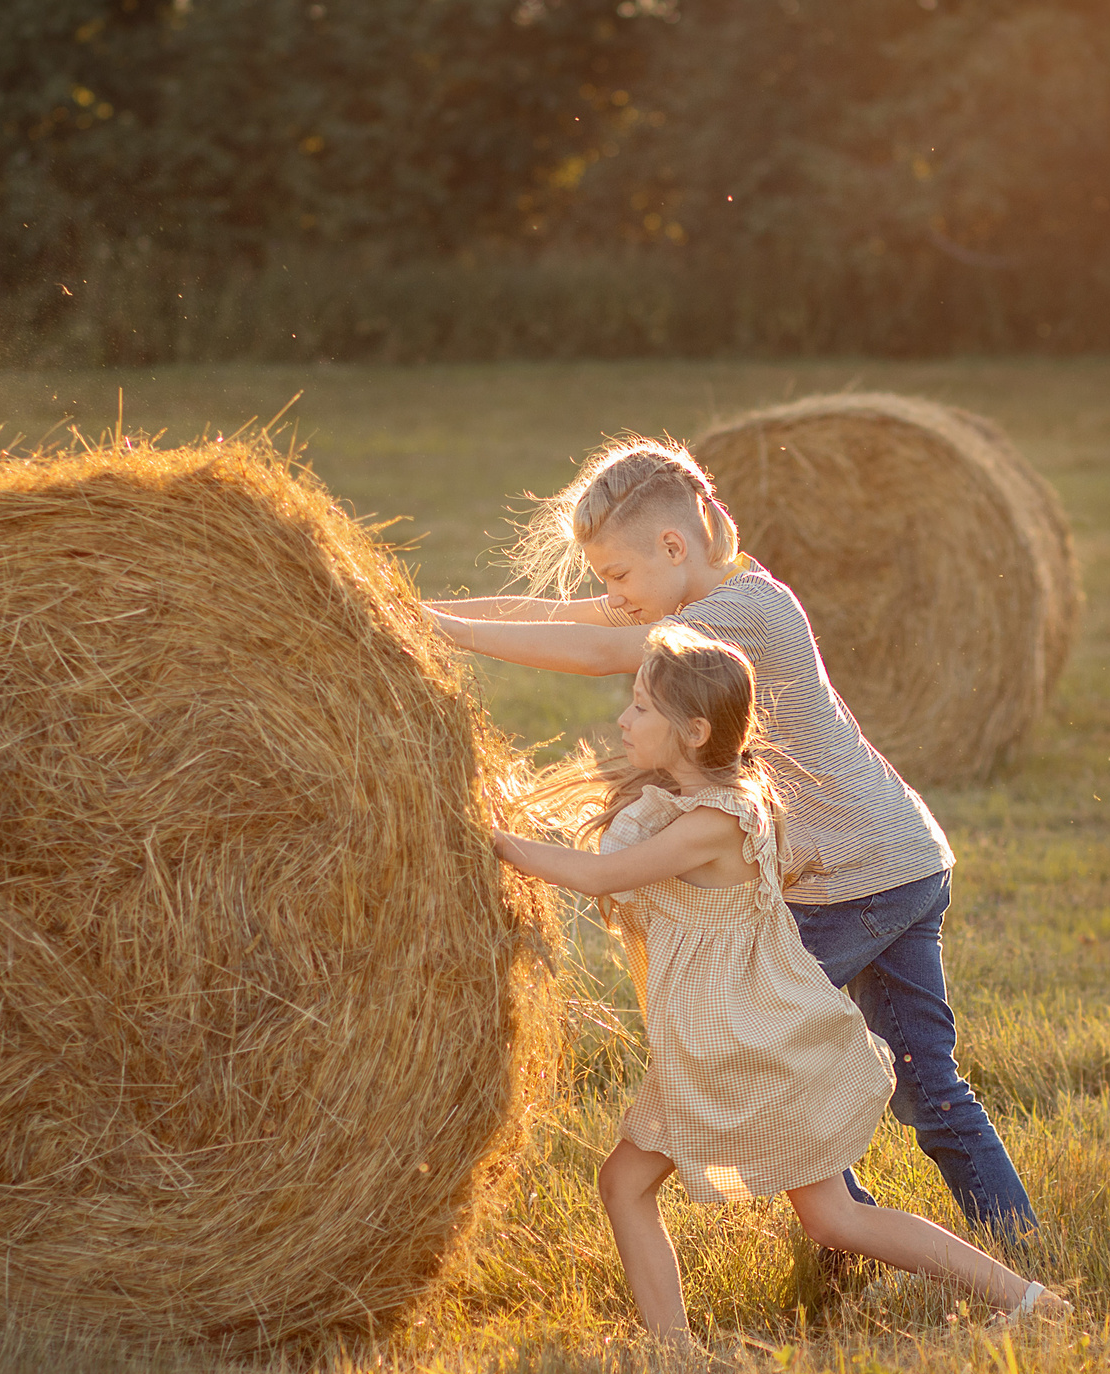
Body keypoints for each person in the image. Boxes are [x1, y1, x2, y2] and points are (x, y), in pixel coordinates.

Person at [429, 437, 1037, 1233]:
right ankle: (989, 1243)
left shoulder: (748, 610)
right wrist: (425, 618)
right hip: (900, 859)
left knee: (767, 1044)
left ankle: (862, 1243)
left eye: (618, 575)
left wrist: (458, 635)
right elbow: (562, 616)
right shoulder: (695, 598)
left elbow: (605, 648)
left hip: (856, 881)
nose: (613, 594)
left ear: (673, 546)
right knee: (921, 1084)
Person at [492, 625, 1067, 1341]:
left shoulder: (715, 820)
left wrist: (491, 841)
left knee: (682, 1192)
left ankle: (1022, 1298)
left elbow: (603, 876)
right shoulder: (714, 797)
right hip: (731, 1036)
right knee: (808, 1213)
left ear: (693, 730)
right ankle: (1026, 1301)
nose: (622, 719)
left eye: (640, 708)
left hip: (741, 1042)